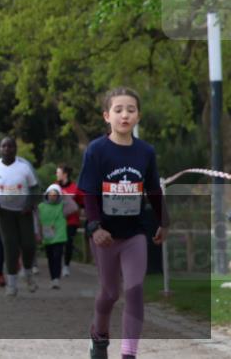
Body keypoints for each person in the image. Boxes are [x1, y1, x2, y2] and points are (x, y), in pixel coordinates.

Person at [78, 87, 168, 359]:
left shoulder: (145, 152)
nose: (124, 115)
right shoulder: (97, 150)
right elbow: (89, 193)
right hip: (105, 234)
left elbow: (153, 189)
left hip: (134, 233)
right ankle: (99, 335)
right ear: (107, 116)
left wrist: (163, 221)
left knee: (135, 288)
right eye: (118, 110)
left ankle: (129, 353)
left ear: (138, 116)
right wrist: (95, 227)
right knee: (109, 293)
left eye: (130, 110)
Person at [0, 137, 40, 297]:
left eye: (10, 146)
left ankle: (28, 274)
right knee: (10, 245)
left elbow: (35, 188)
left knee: (28, 245)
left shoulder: (24, 166)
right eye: (4, 146)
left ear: (16, 149)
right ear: (0, 149)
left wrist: (30, 204)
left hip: (23, 211)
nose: (7, 149)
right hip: (3, 212)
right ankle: (12, 284)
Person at [38, 183, 68, 289]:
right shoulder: (41, 206)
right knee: (50, 258)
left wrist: (65, 195)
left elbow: (74, 207)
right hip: (48, 236)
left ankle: (56, 279)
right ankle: (53, 278)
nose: (53, 197)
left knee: (57, 256)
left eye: (55, 195)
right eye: (50, 194)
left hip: (60, 236)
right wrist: (38, 234)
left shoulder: (63, 205)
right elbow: (37, 221)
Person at [57, 164, 83, 277]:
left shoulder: (75, 188)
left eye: (58, 172)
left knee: (68, 243)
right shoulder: (54, 186)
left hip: (72, 221)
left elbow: (83, 202)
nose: (56, 174)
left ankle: (66, 266)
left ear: (65, 174)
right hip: (57, 220)